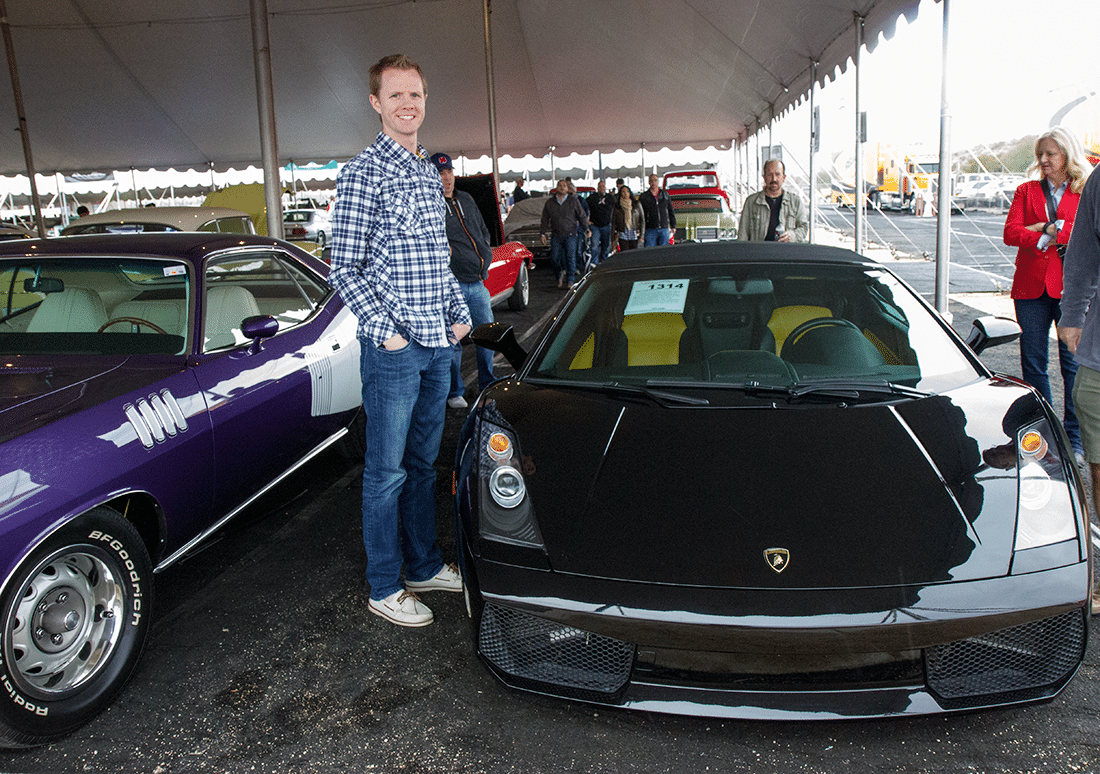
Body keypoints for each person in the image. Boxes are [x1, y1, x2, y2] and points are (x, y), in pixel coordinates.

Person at [329, 54, 470, 628]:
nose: (408, 104)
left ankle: (422, 565)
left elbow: (437, 260)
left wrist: (459, 312)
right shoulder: (363, 173)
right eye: (396, 96)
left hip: (439, 343)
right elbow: (344, 267)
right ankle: (385, 584)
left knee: (422, 463)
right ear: (375, 103)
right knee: (386, 472)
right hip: (394, 351)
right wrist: (385, 333)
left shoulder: (422, 170)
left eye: (416, 94)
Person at [1004, 127, 1092, 460]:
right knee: (1033, 362)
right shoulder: (1026, 191)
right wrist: (1045, 231)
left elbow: (1086, 232)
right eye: (1040, 154)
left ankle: (1075, 438)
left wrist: (1055, 230)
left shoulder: (1085, 190)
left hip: (1071, 288)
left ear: (1067, 155)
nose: (1043, 160)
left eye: (1050, 154)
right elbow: (1011, 232)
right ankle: (1044, 431)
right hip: (1030, 287)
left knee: (1072, 363)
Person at [430, 151, 495, 409]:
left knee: (486, 336)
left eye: (449, 172)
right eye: (440, 173)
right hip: (451, 284)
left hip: (477, 282)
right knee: (453, 341)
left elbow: (481, 229)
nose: (446, 178)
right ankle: (454, 391)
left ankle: (487, 382)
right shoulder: (431, 204)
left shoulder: (466, 198)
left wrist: (486, 252)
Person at [738, 159, 808, 242]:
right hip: (759, 253)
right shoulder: (752, 202)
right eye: (769, 174)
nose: (774, 179)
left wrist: (792, 236)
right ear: (764, 177)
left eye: (778, 174)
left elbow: (803, 228)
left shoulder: (795, 202)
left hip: (786, 253)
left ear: (784, 177)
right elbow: (743, 234)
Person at [540, 179, 590, 288]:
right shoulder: (550, 202)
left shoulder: (573, 201)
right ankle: (558, 276)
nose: (562, 187)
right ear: (556, 188)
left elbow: (581, 215)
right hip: (556, 234)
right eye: (560, 185)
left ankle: (570, 280)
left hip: (571, 233)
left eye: (564, 186)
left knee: (570, 257)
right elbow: (545, 218)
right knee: (554, 258)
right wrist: (542, 233)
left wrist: (586, 229)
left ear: (568, 189)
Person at [639, 174, 675, 247]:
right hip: (650, 229)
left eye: (655, 180)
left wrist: (673, 225)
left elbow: (670, 210)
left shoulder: (665, 194)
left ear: (658, 182)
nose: (653, 183)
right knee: (650, 252)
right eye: (651, 181)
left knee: (663, 252)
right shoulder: (644, 196)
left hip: (664, 228)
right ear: (649, 183)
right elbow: (640, 214)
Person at [586, 181, 616, 266]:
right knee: (594, 246)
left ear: (605, 187)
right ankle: (594, 264)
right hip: (595, 225)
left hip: (607, 225)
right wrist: (587, 221)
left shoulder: (610, 198)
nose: (601, 188)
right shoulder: (592, 197)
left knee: (606, 246)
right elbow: (583, 208)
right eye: (600, 186)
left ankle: (604, 263)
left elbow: (616, 209)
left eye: (603, 186)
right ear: (597, 187)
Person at [611, 184, 644, 251]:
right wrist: (613, 239)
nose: (625, 193)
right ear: (620, 194)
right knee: (624, 253)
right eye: (623, 192)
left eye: (627, 191)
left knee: (634, 254)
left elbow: (642, 219)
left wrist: (642, 235)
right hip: (623, 233)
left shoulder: (636, 204)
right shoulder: (617, 206)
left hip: (634, 232)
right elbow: (613, 223)